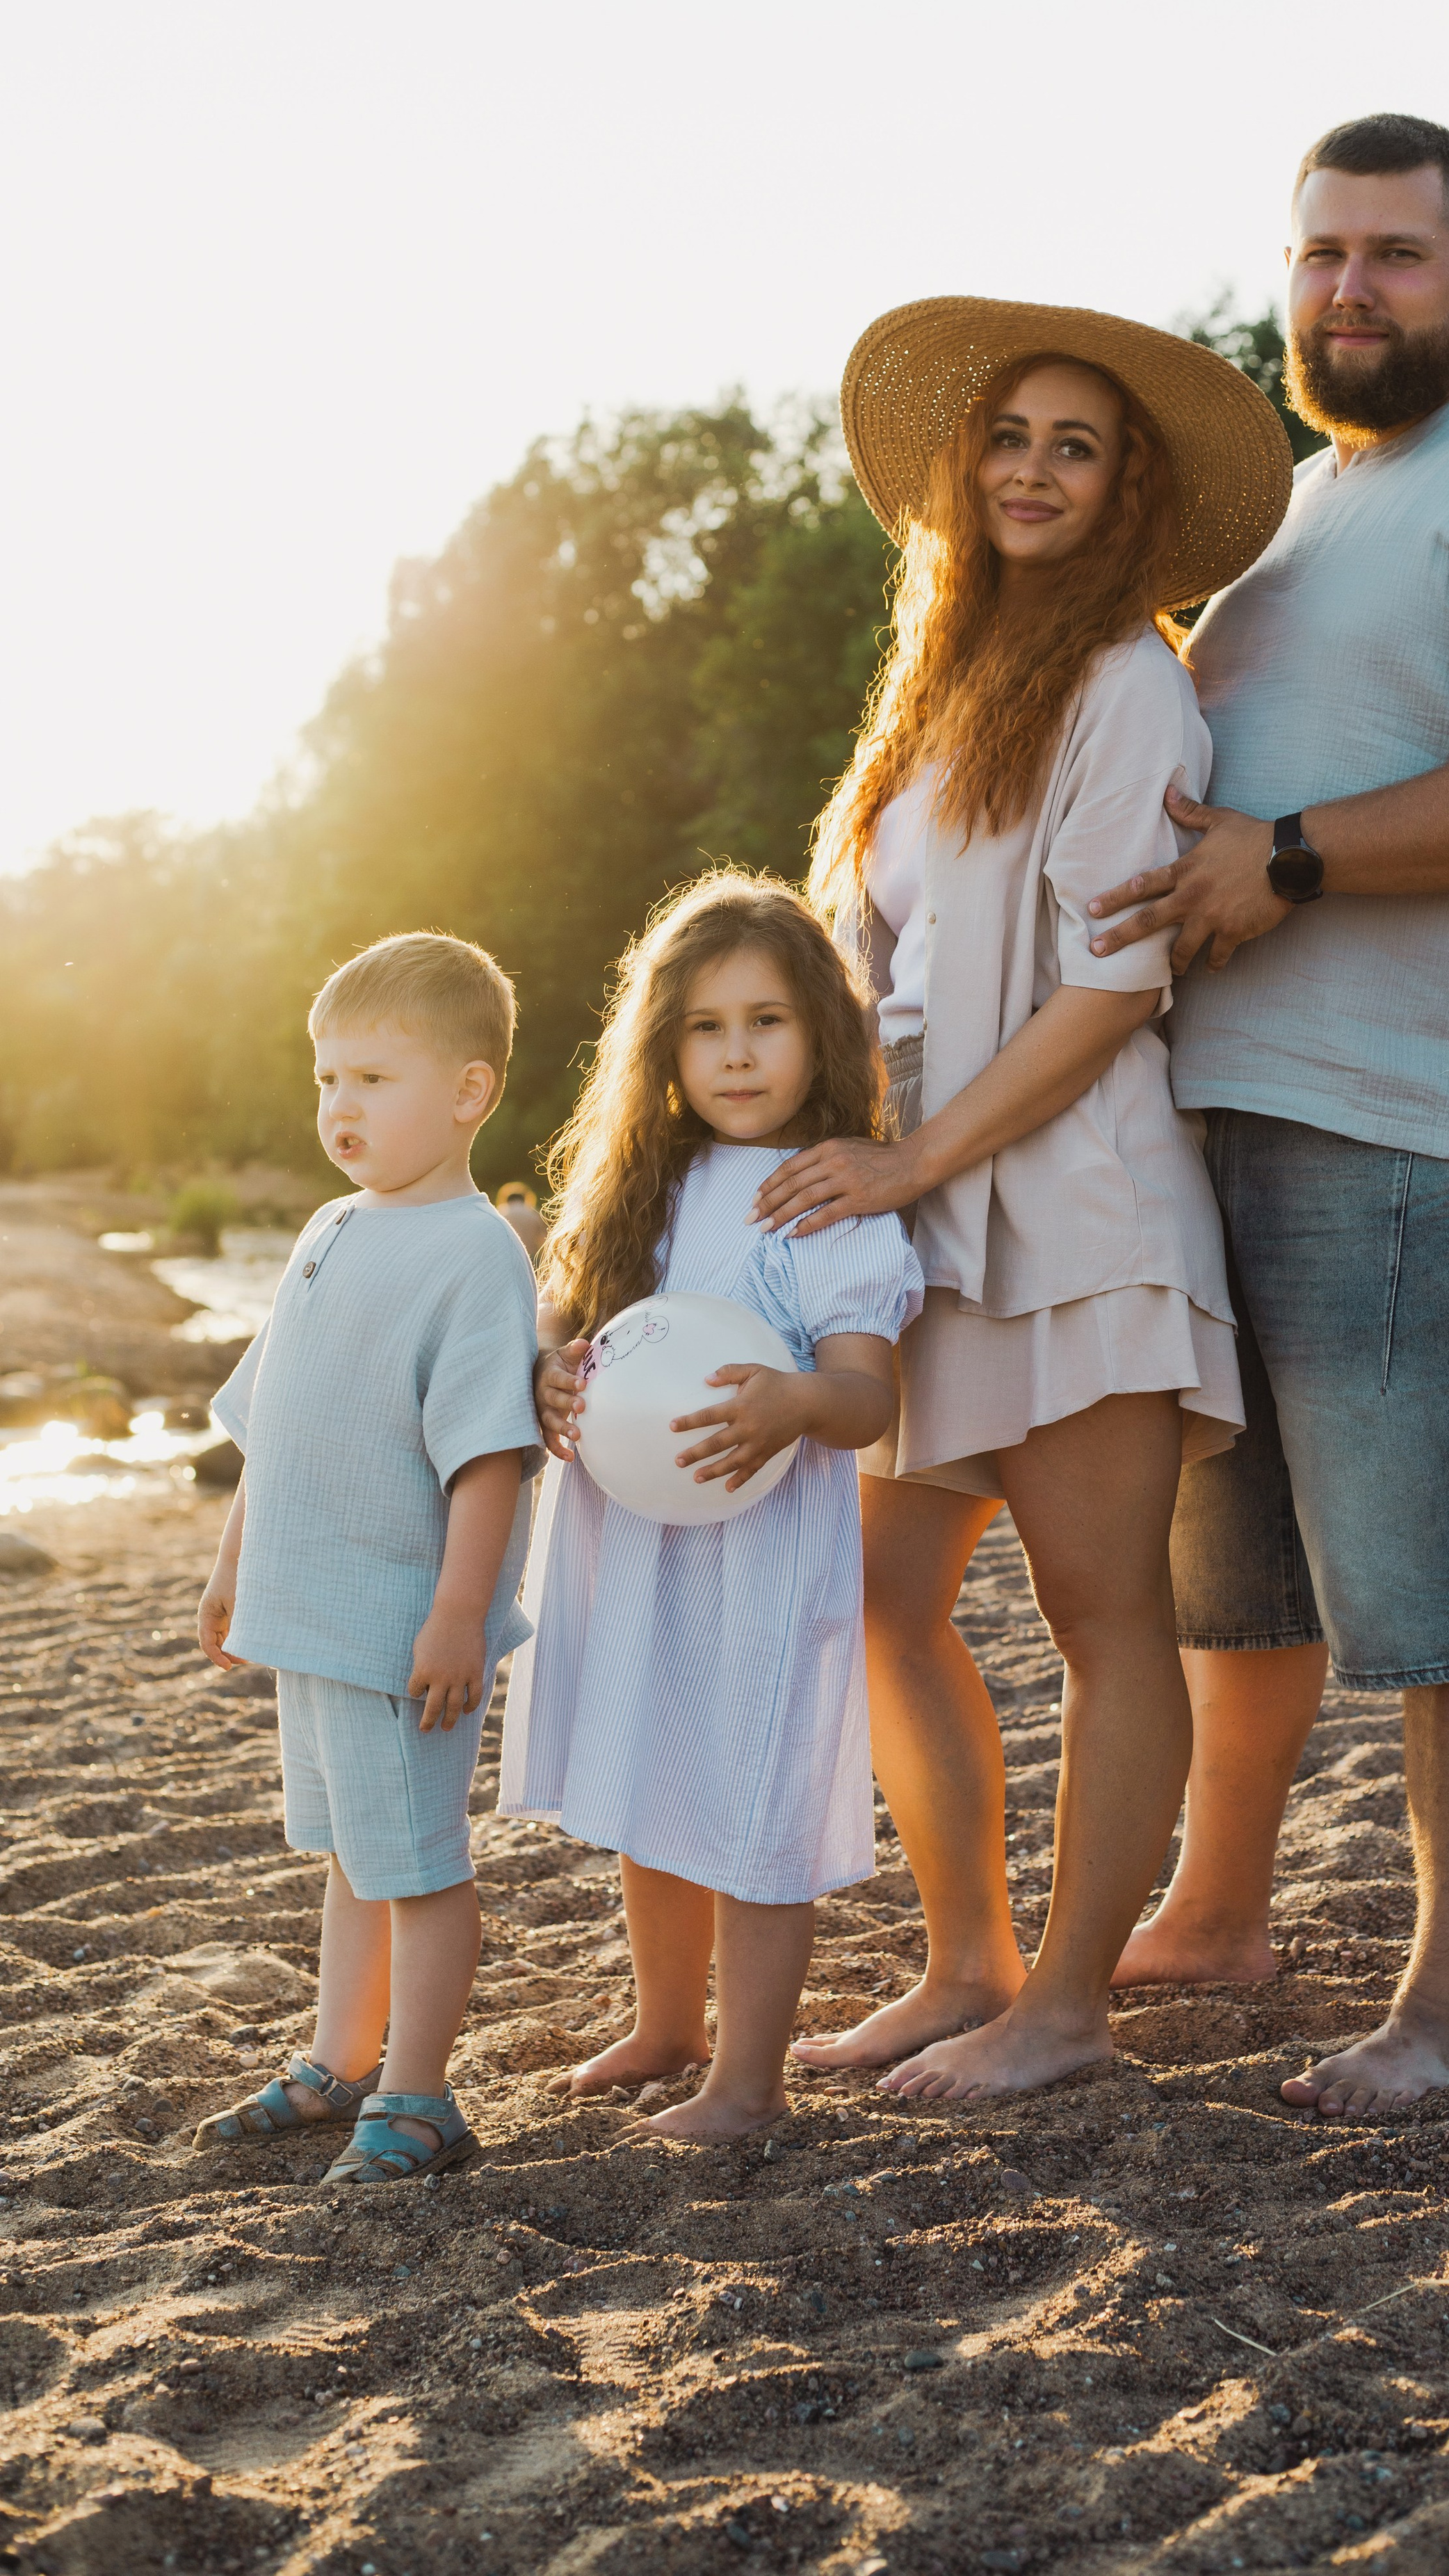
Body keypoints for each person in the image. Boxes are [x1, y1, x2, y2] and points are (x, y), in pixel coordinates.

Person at [1085, 115, 1449, 2117]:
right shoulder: (1297, 510)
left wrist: (1300, 858)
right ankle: (1224, 1908)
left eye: (1398, 257)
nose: (1352, 291)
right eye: (1323, 254)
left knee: (1446, 1596)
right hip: (1214, 1111)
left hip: (1404, 1122)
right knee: (1234, 1587)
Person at [747, 299, 1292, 2100]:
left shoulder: (1133, 683)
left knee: (1099, 1612)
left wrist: (912, 1157)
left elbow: (1112, 988)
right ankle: (966, 1959)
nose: (1035, 471)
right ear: (961, 473)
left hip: (1075, 1215)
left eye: (1077, 445)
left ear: (1125, 488)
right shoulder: (937, 696)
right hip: (922, 1235)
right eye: (1010, 439)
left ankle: (1067, 2013)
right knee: (883, 1597)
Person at [499, 874, 923, 2143]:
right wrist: (549, 1375)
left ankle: (748, 2081)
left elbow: (867, 1398)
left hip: (762, 1547)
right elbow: (568, 1336)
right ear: (663, 1045)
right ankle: (668, 2021)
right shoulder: (640, 1190)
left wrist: (794, 1404)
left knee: (751, 1799)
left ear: (823, 1039)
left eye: (770, 1022)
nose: (737, 1054)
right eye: (707, 1027)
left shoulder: (824, 1195)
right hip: (636, 1543)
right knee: (648, 1771)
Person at [193, 931, 544, 2182]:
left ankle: (420, 2093)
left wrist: (460, 1616)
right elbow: (272, 1417)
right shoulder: (330, 1228)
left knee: (419, 1866)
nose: (340, 1107)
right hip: (312, 1609)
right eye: (327, 1078)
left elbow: (489, 1456)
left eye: (374, 1080)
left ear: (467, 1092)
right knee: (353, 1854)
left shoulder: (473, 1255)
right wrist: (236, 1561)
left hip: (404, 1624)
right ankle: (344, 2058)